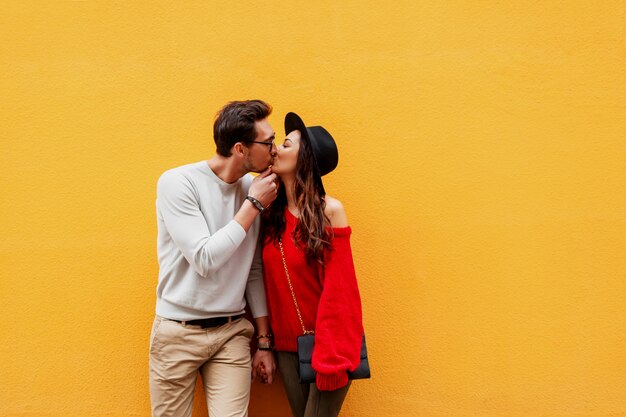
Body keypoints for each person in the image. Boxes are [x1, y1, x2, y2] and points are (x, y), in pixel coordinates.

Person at [149, 99, 278, 417]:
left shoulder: (253, 187)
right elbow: (205, 259)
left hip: (231, 332)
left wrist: (263, 342)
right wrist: (252, 205)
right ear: (240, 149)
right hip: (177, 331)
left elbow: (253, 269)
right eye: (268, 142)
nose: (275, 150)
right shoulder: (178, 183)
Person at [260, 112, 364, 417]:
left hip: (329, 348)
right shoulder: (270, 213)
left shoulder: (329, 210)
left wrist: (330, 359)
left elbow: (341, 290)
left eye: (287, 144)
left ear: (304, 159)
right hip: (289, 349)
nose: (276, 149)